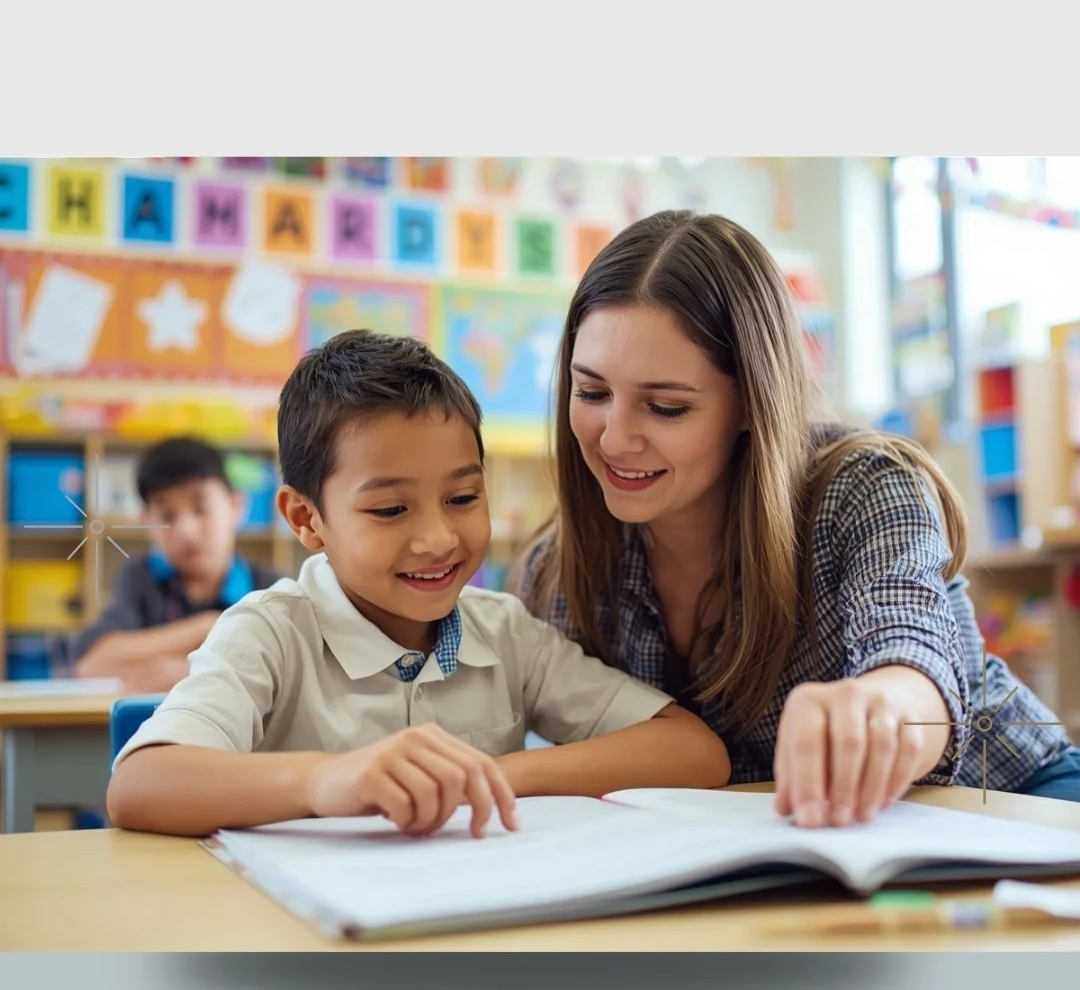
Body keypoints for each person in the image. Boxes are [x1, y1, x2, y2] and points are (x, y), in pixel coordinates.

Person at [513, 209, 1080, 825]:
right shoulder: (561, 569)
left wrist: (877, 711)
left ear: (751, 404)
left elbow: (916, 665)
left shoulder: (864, 488)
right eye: (592, 393)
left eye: (666, 407)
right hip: (796, 850)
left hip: (1012, 804)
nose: (615, 439)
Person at [106, 331, 729, 838]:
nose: (438, 538)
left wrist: (493, 774)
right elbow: (139, 785)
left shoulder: (505, 633)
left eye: (462, 497)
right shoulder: (270, 633)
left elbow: (694, 752)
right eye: (389, 510)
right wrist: (326, 782)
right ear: (306, 519)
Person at [72, 437, 280, 693]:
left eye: (201, 508)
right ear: (148, 522)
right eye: (167, 515)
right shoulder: (141, 577)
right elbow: (92, 664)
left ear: (236, 506)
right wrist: (208, 626)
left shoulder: (269, 587)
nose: (186, 530)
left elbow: (289, 669)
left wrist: (190, 670)